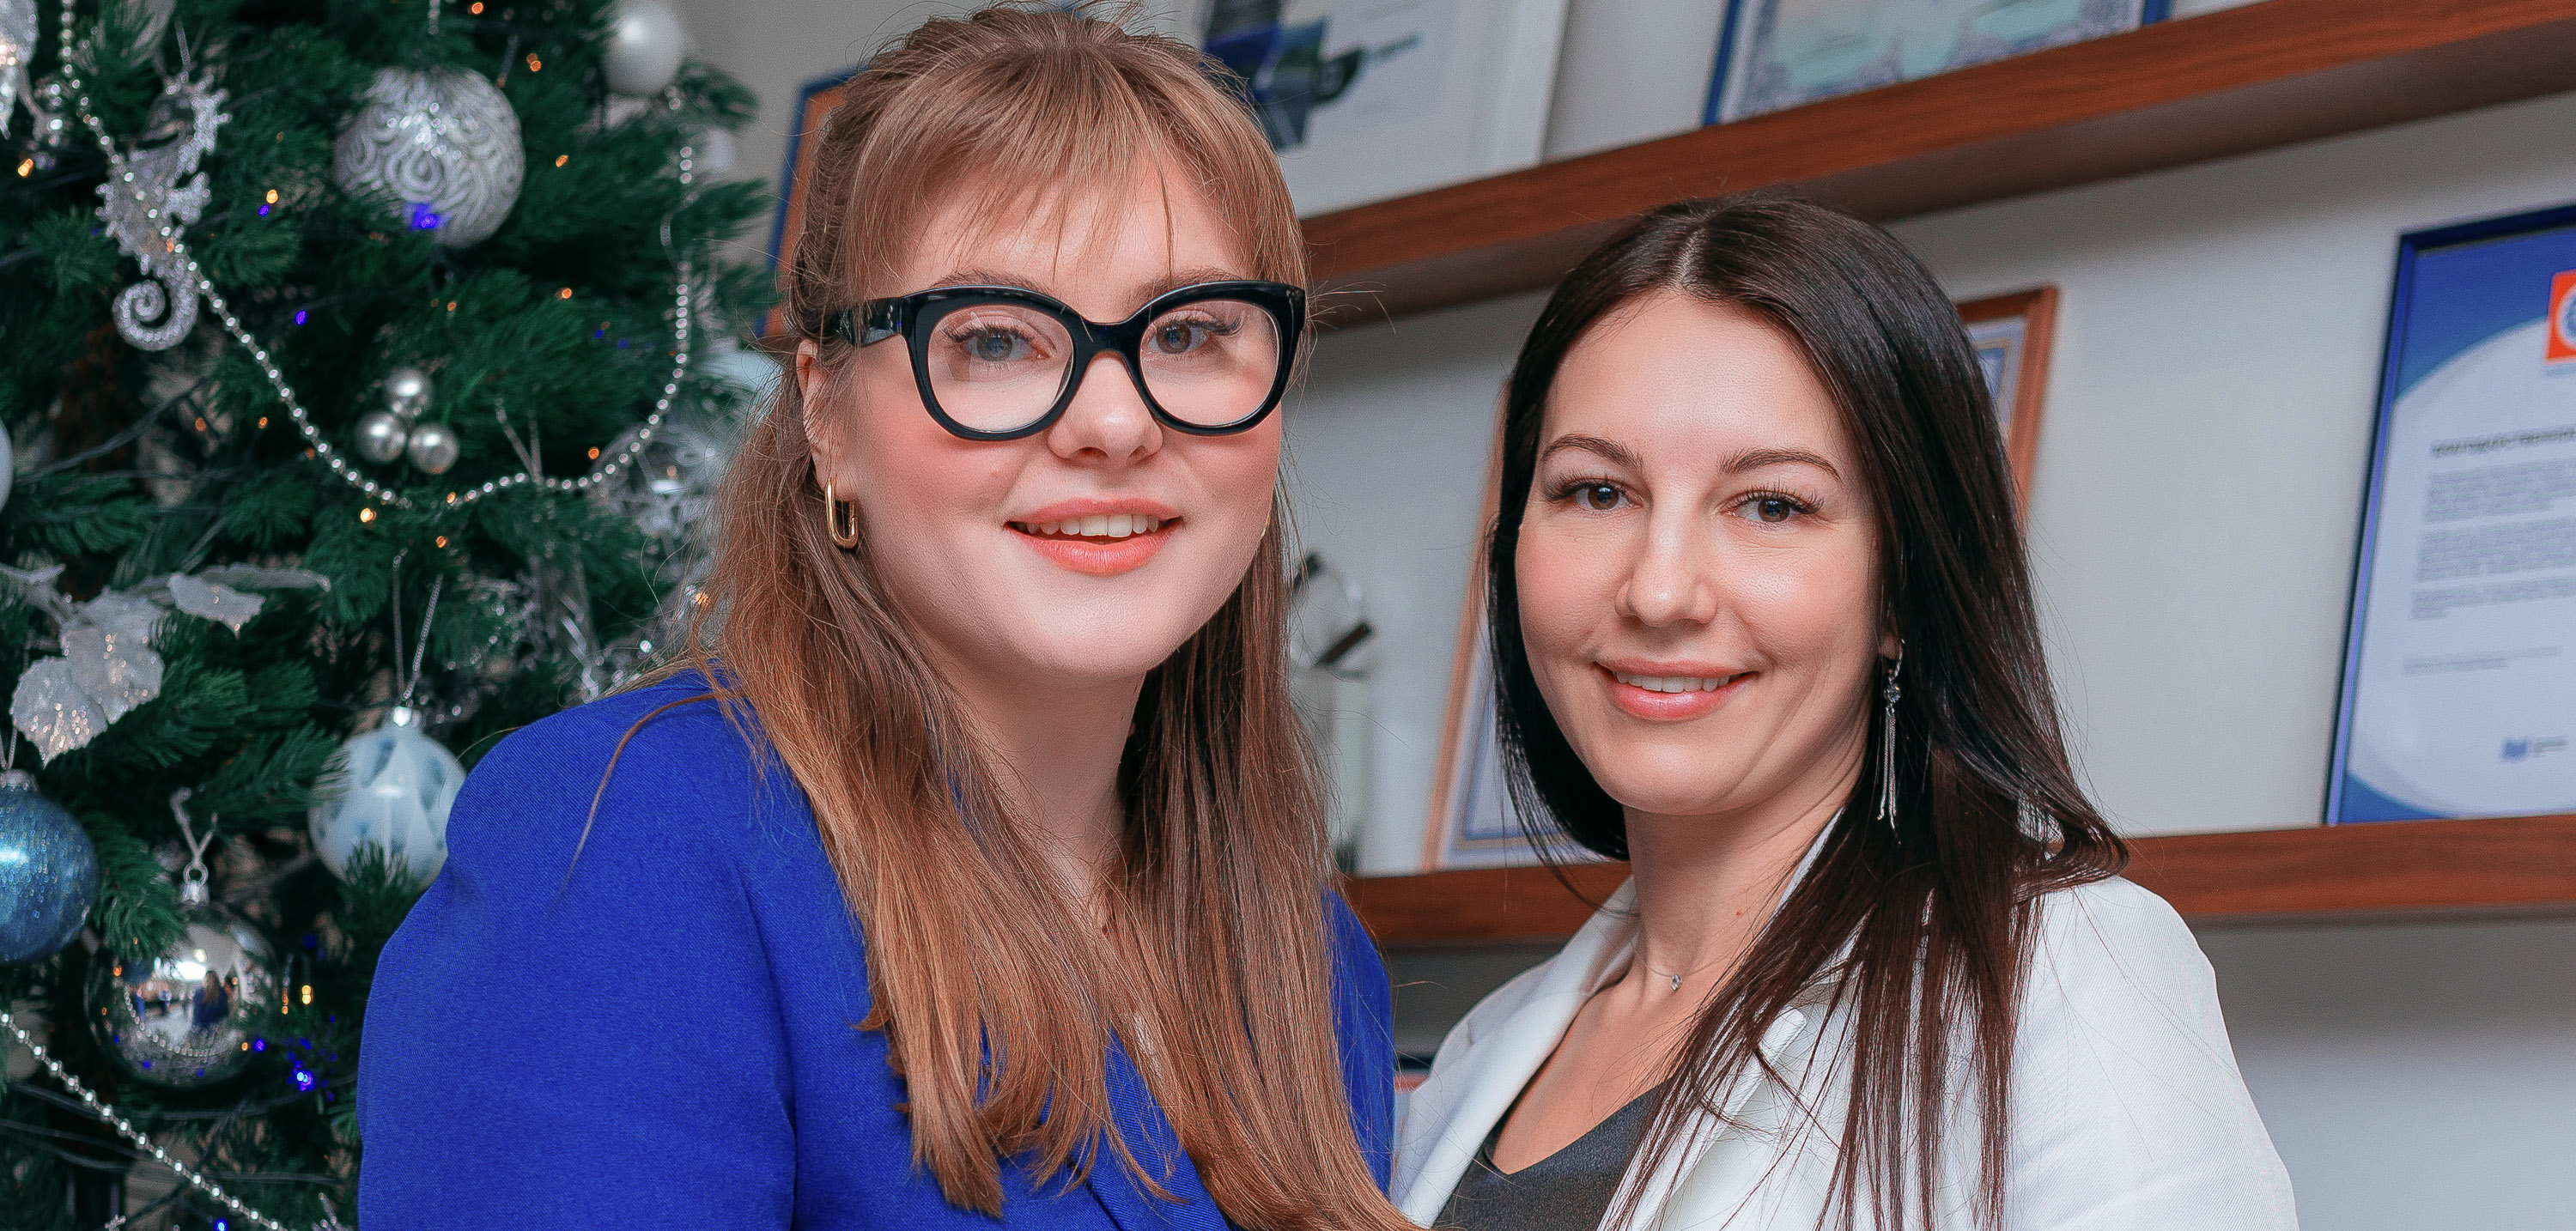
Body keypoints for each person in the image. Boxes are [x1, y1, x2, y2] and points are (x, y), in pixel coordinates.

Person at [359, 9, 1413, 1230]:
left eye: (1188, 334)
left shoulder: (1314, 963)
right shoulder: (622, 847)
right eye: (996, 341)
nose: (1116, 423)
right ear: (827, 416)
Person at [1394, 196, 2299, 1231]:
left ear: (1903, 591)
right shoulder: (1481, 1055)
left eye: (1771, 504)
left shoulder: (2063, 978)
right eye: (1597, 492)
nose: (1659, 591)